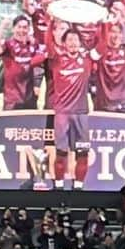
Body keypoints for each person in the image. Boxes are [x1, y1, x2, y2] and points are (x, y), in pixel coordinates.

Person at [45, 25, 93, 187]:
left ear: (80, 42)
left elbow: (101, 46)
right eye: (69, 39)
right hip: (62, 114)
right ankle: (58, 186)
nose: (73, 42)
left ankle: (78, 187)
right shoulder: (57, 59)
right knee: (61, 153)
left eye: (76, 39)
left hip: (81, 114)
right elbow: (48, 43)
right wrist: (50, 21)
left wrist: (105, 23)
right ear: (63, 43)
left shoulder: (86, 59)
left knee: (83, 153)